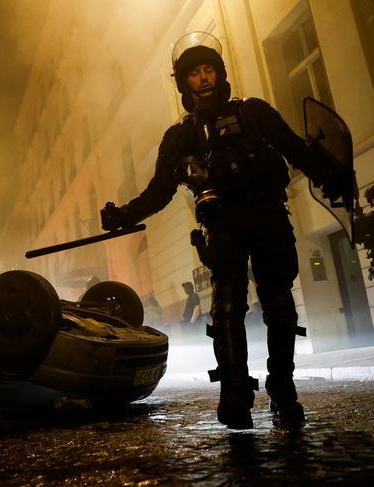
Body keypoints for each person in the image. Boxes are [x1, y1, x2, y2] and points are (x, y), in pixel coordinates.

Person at [100, 32, 341, 429]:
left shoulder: (254, 113)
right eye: (194, 73)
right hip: (222, 224)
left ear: (220, 72)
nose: (204, 78)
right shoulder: (180, 136)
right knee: (227, 308)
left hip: (267, 216)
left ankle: (283, 391)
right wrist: (124, 214)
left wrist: (328, 172)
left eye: (208, 69)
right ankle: (235, 395)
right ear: (184, 82)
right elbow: (158, 191)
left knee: (279, 305)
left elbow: (295, 148)